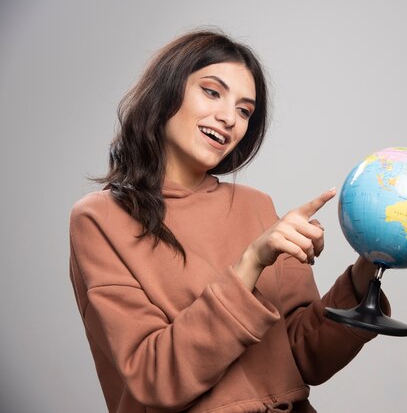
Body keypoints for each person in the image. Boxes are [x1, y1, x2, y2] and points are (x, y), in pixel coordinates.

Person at [69, 29, 389, 413]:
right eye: (211, 91)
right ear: (167, 90)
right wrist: (251, 262)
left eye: (244, 110)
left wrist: (369, 263)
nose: (228, 118)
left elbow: (306, 358)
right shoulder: (100, 218)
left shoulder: (256, 206)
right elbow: (154, 378)